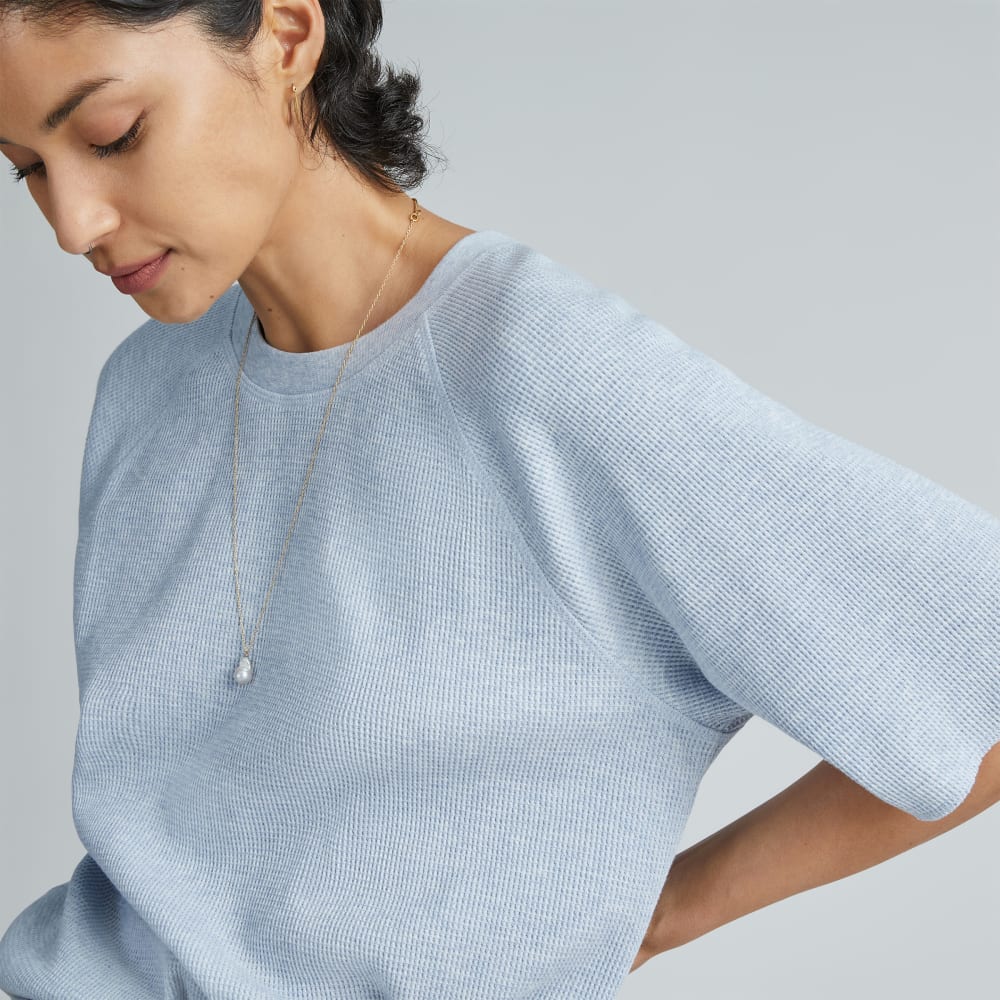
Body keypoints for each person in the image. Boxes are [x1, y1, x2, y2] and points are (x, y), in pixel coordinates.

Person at [1, 2, 998, 998]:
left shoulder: (541, 369)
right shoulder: (146, 387)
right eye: (27, 169)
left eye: (111, 135)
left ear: (289, 35)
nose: (72, 223)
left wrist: (656, 915)